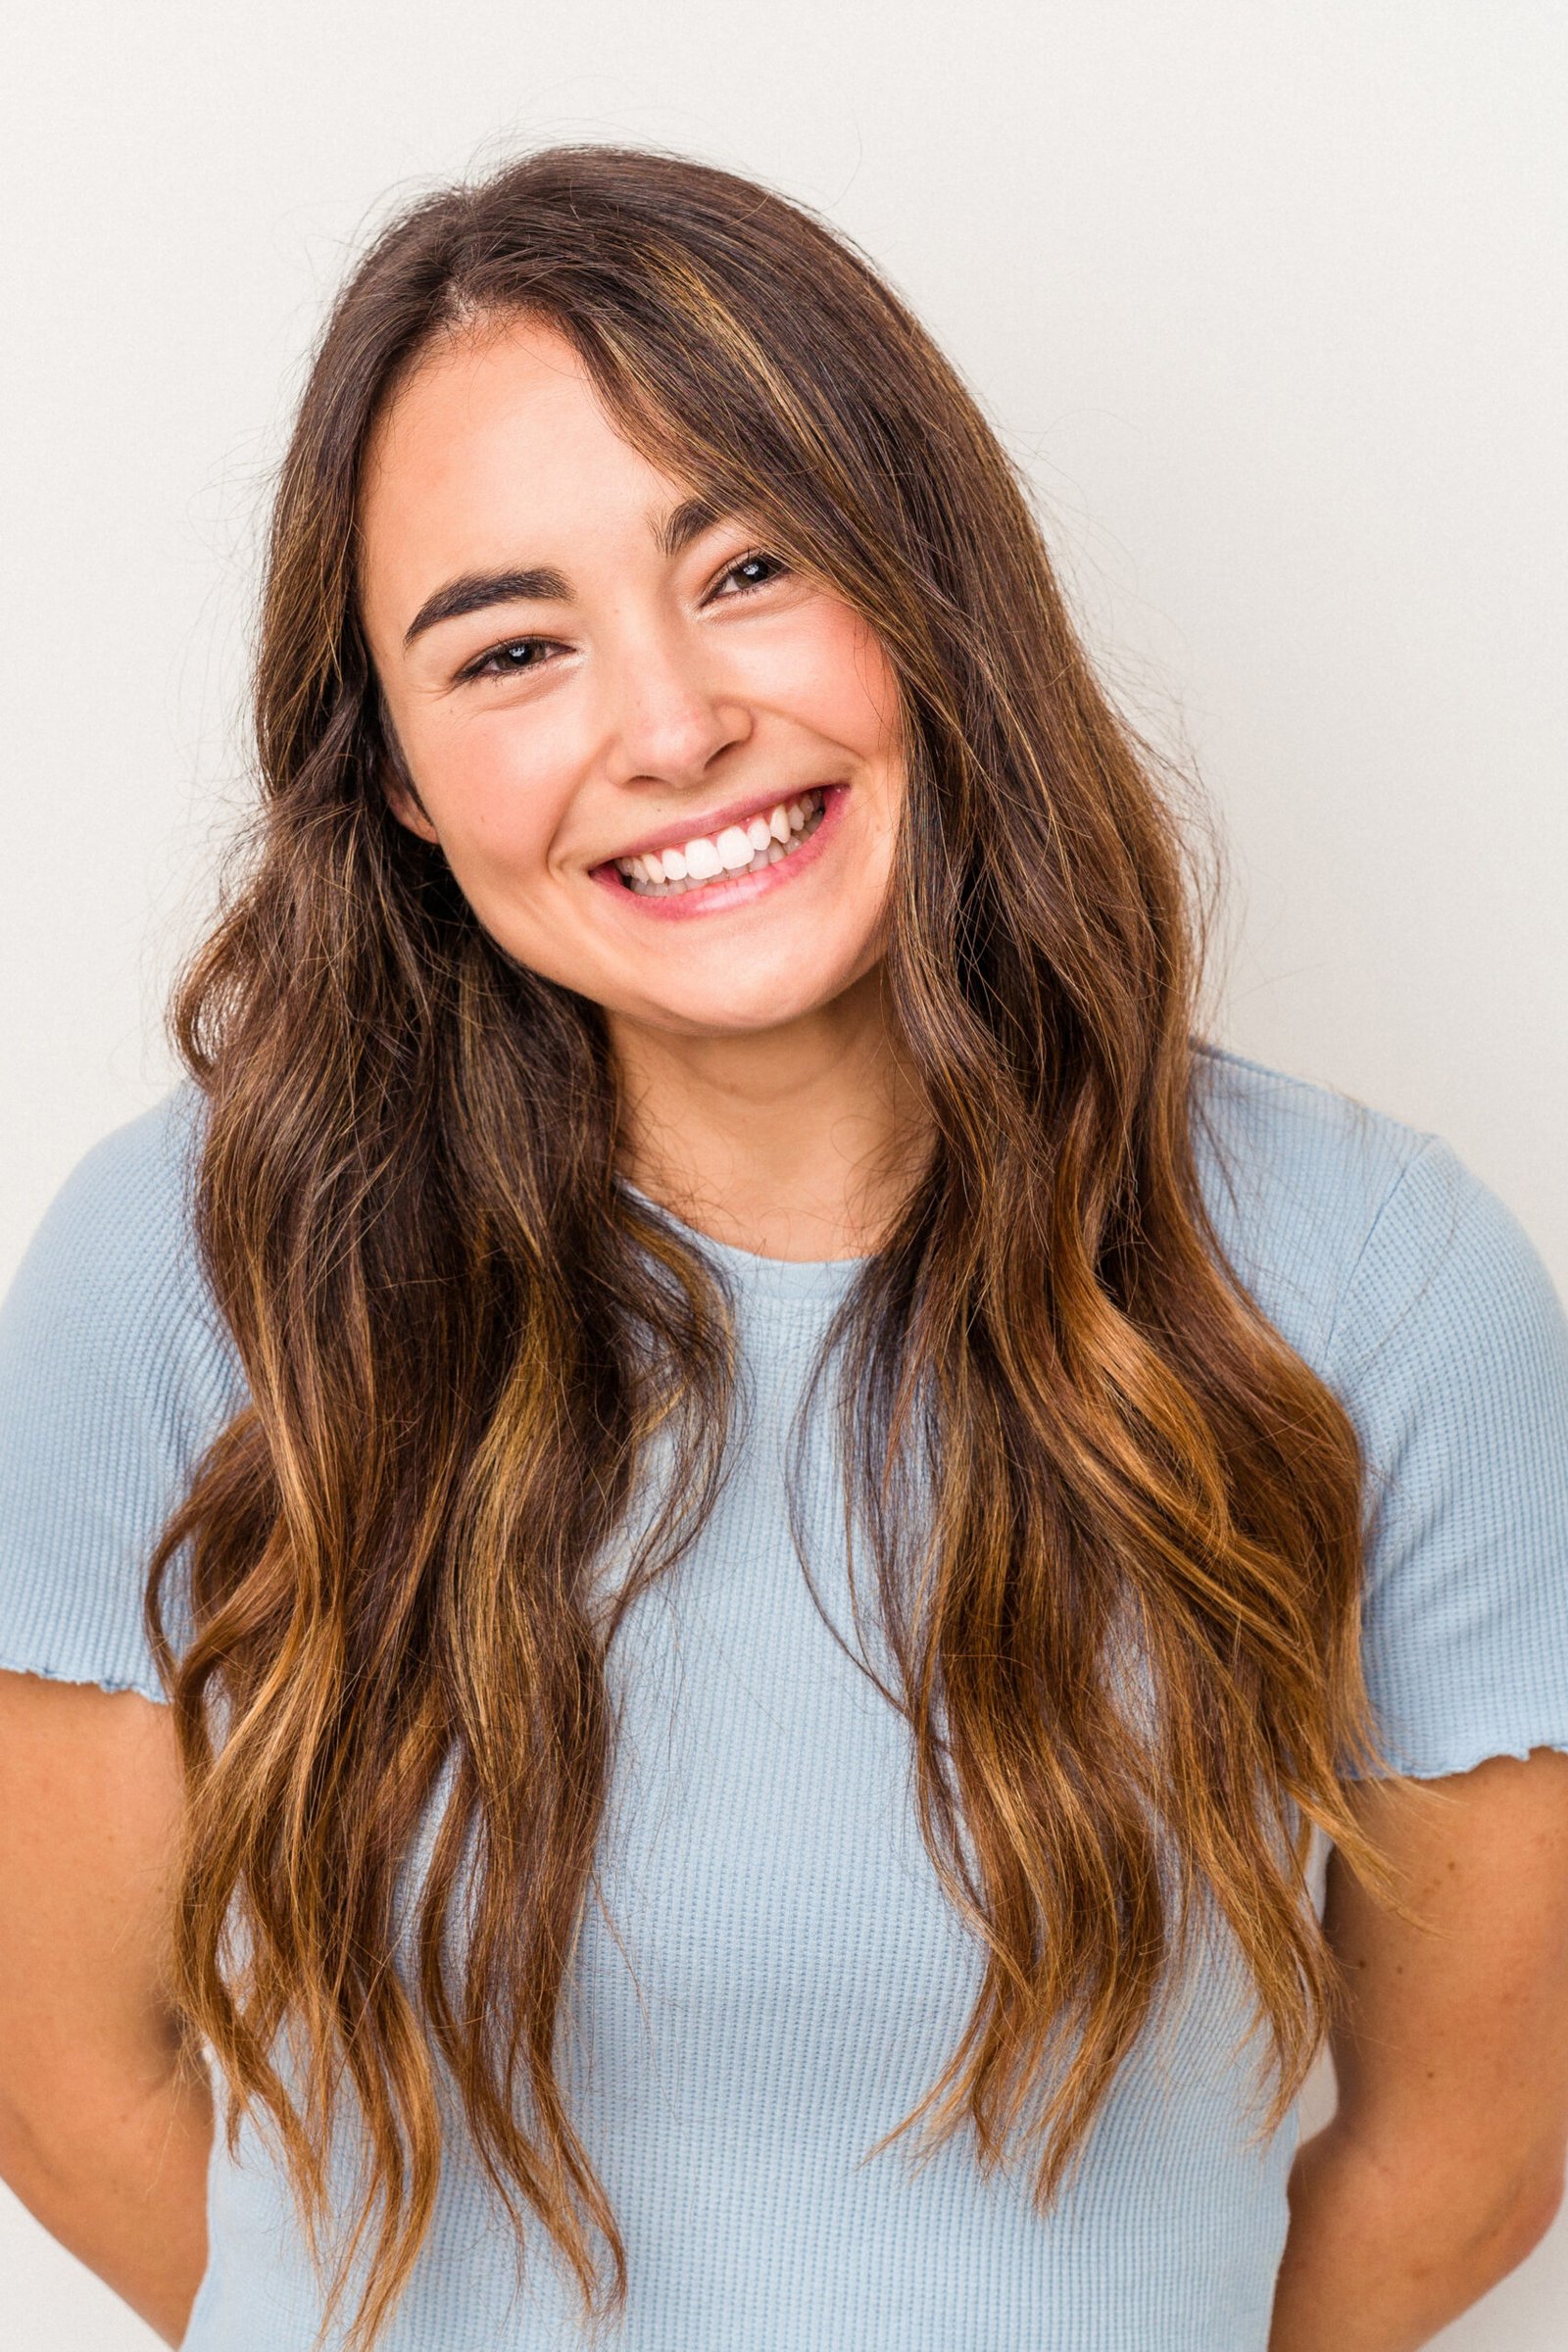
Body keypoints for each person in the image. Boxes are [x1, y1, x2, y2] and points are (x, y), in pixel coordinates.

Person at [2, 143, 1567, 2352]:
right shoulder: (184, 1270)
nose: (665, 727)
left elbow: (1461, 2160)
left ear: (927, 588)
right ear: (405, 788)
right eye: (512, 645)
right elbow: (74, 2081)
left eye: (745, 567)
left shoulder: (1376, 1286)